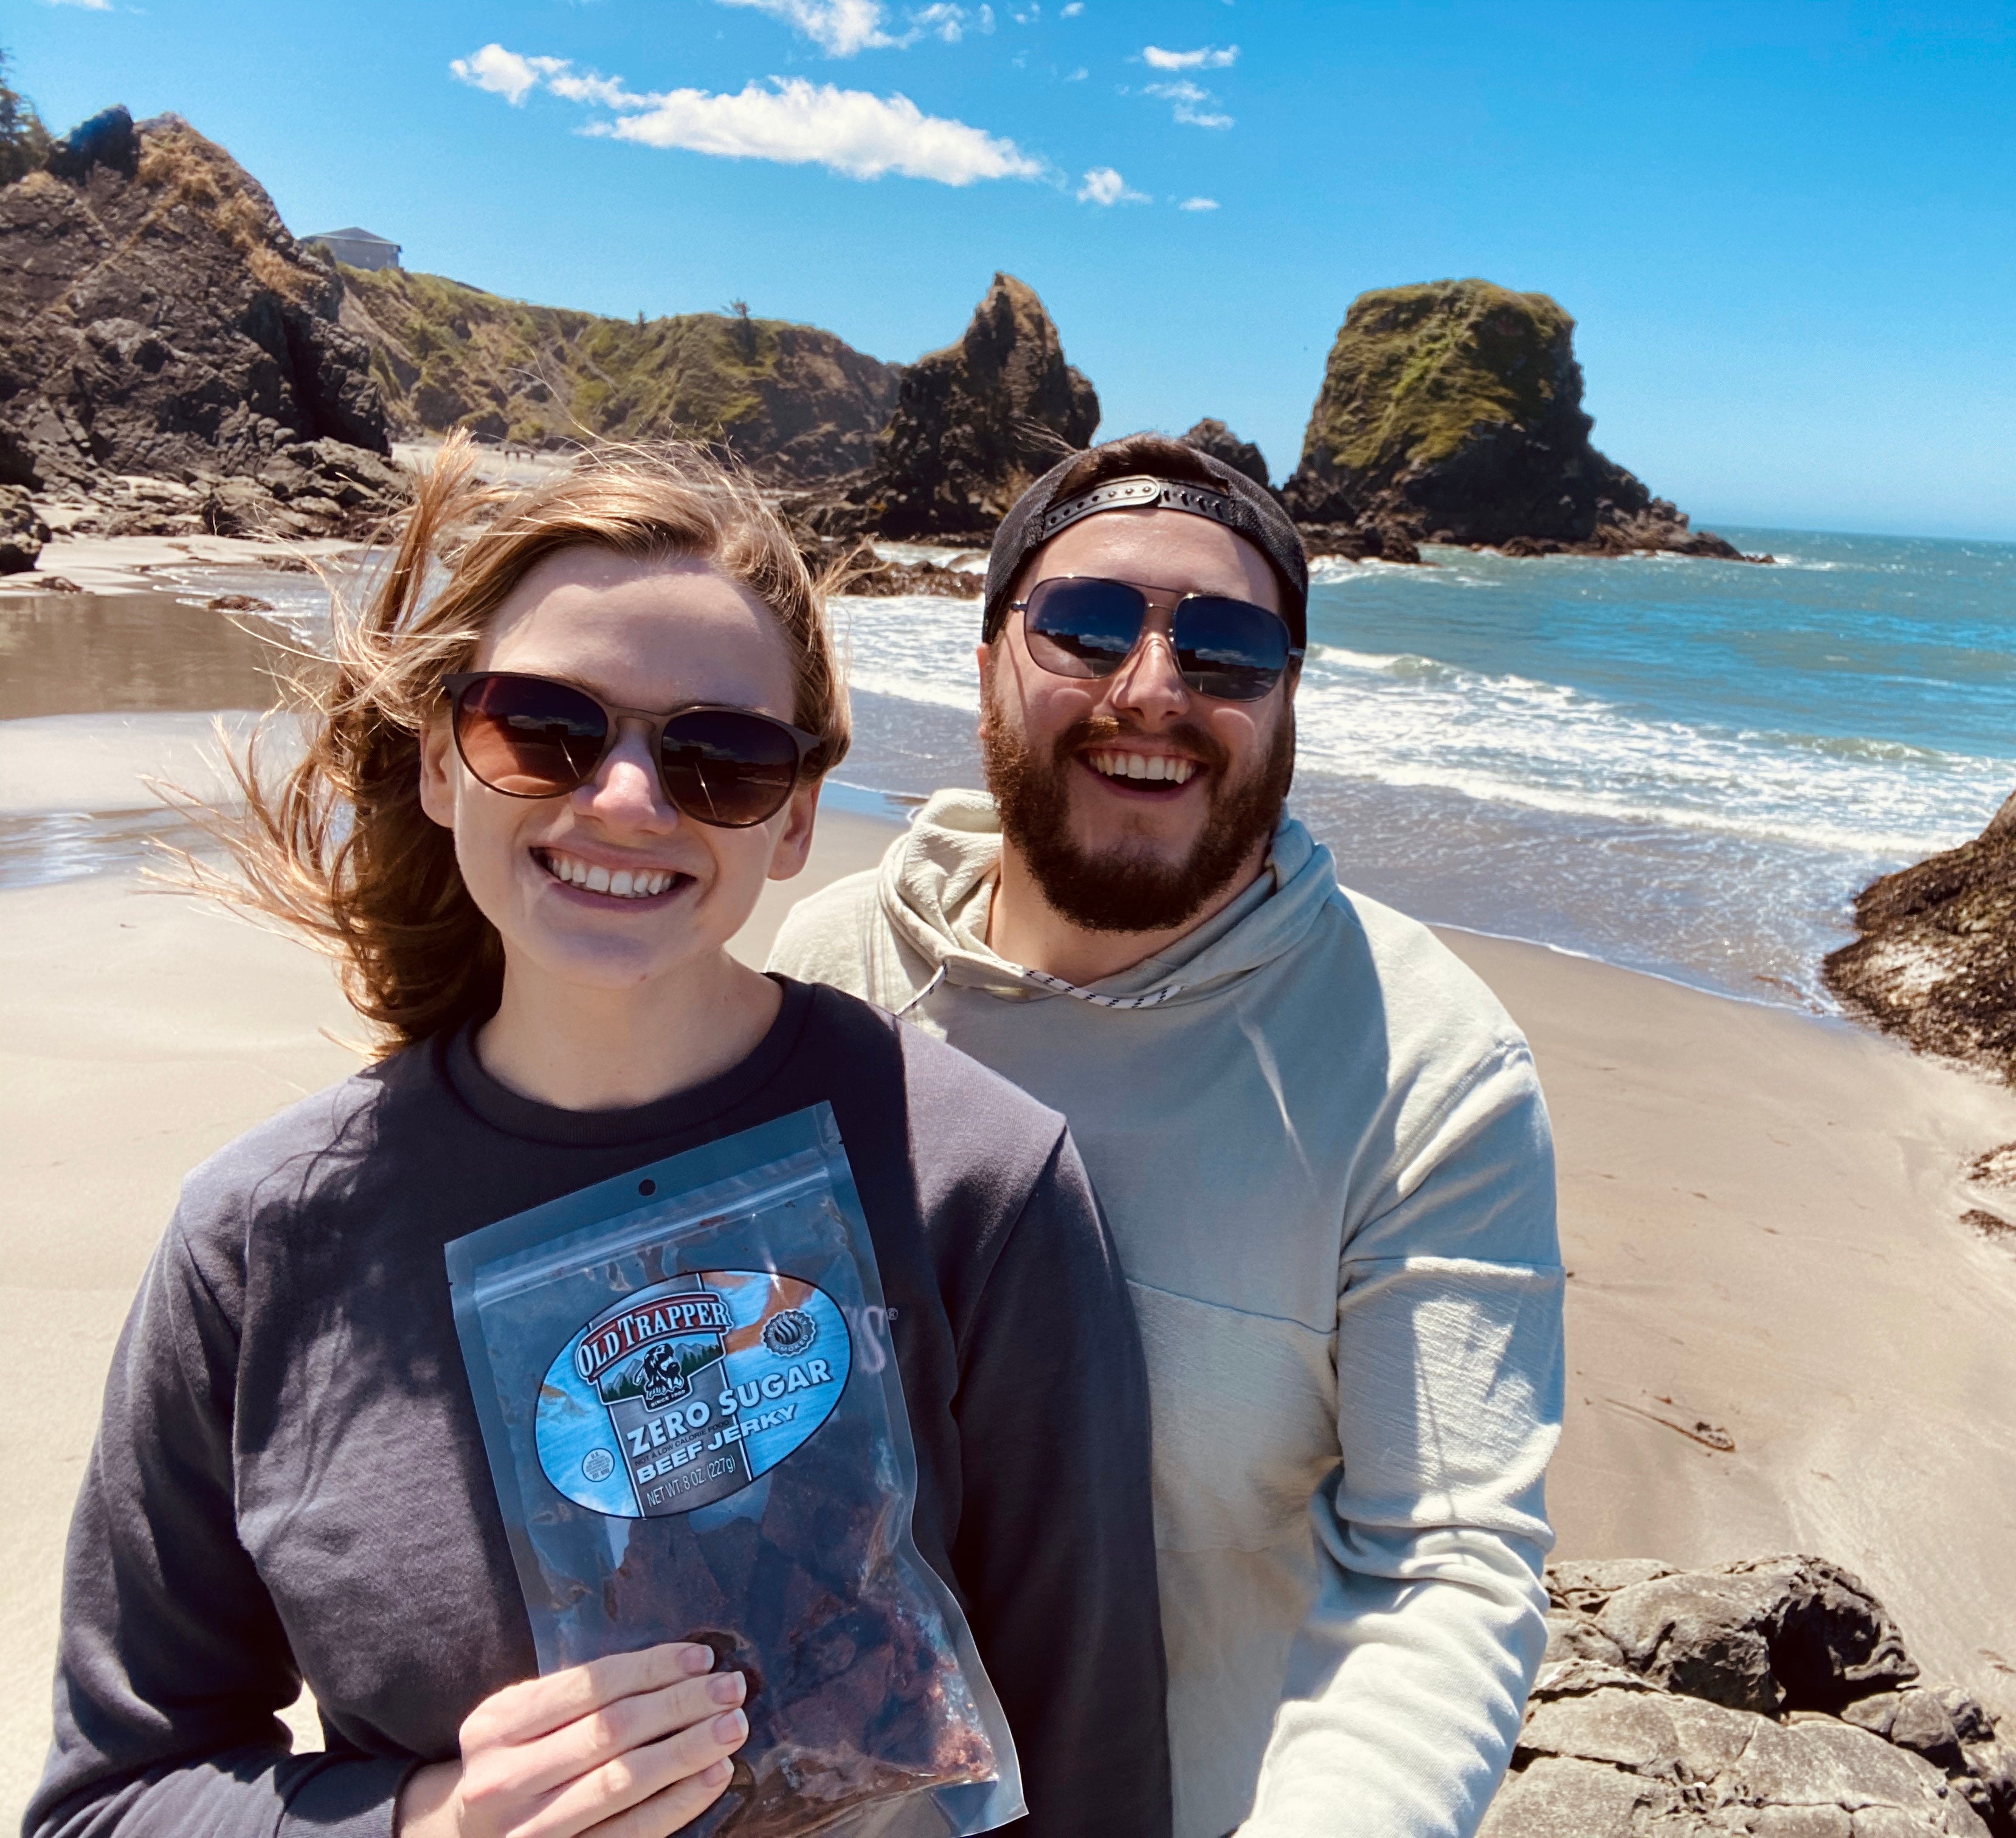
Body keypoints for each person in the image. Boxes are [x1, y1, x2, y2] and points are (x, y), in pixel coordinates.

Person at [26, 439, 1170, 1838]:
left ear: (798, 817)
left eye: (723, 758)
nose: (627, 799)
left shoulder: (975, 1176)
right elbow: (110, 1799)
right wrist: (431, 1821)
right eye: (544, 728)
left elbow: (1097, 1765)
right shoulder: (261, 1237)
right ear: (446, 763)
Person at [767, 436, 1566, 1838]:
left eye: (1230, 650)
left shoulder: (1427, 1063)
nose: (1153, 691)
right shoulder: (834, 967)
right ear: (986, 659)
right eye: (1083, 626)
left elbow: (1444, 1567)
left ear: (1291, 699)